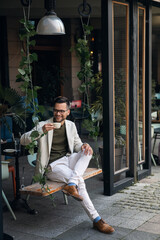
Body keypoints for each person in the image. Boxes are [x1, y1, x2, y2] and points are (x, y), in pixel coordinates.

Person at [20, 96, 115, 234]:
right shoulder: (43, 125)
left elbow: (77, 145)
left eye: (61, 111)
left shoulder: (71, 125)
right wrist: (41, 131)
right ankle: (97, 219)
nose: (58, 114)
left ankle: (71, 184)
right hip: (52, 166)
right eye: (56, 110)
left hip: (67, 160)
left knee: (88, 152)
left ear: (68, 112)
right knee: (80, 181)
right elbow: (23, 140)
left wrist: (84, 145)